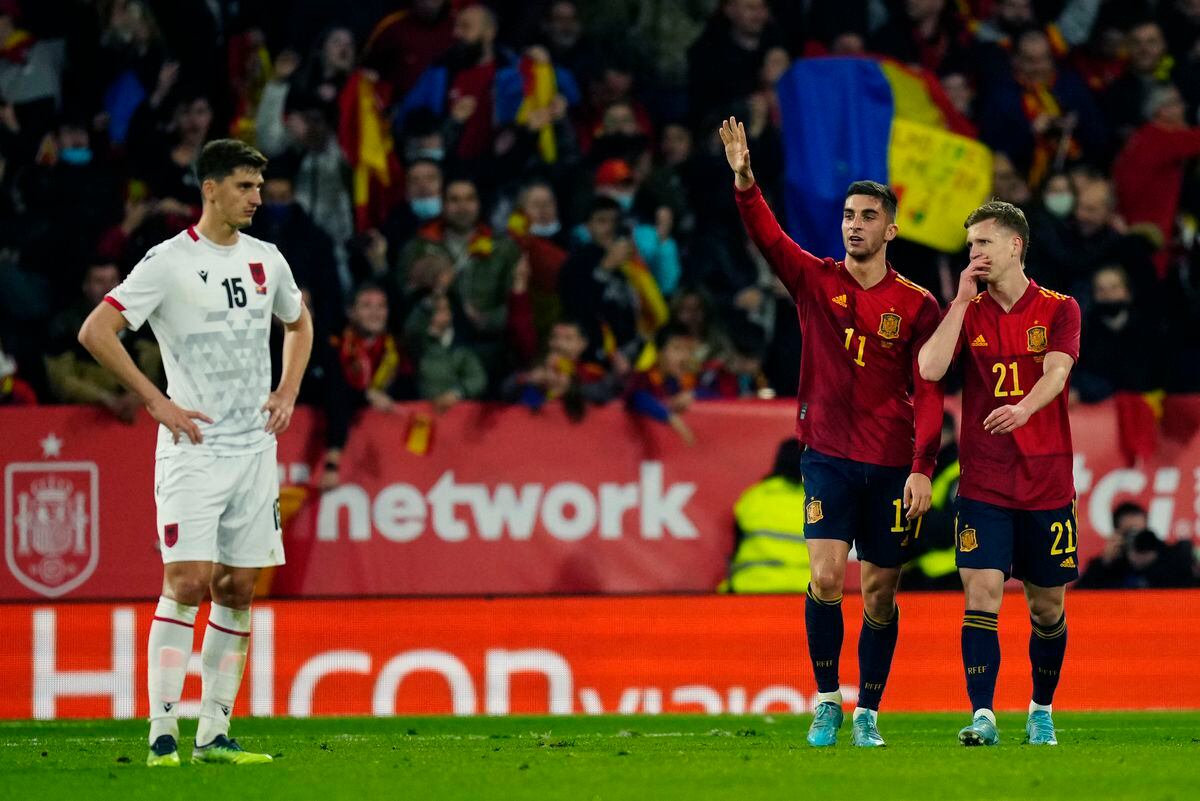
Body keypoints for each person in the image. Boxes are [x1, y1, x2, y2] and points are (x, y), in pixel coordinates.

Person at [77, 139, 314, 766]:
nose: (257, 198)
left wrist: (287, 388)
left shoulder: (268, 260)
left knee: (238, 587)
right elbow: (96, 330)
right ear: (210, 189)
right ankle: (162, 731)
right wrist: (156, 400)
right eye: (245, 186)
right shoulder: (168, 262)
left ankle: (213, 734)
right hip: (194, 449)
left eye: (259, 187)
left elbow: (299, 322)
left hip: (254, 450)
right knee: (186, 581)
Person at [721, 117, 943, 748]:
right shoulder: (814, 279)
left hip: (891, 463)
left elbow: (930, 392)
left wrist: (923, 467)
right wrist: (745, 183)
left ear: (890, 228)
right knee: (823, 577)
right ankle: (826, 702)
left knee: (879, 590)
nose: (854, 224)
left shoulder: (918, 305)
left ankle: (868, 711)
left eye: (868, 215)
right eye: (848, 214)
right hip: (826, 457)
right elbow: (768, 238)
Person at [918, 200, 1081, 747]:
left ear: (1015, 245)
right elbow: (931, 368)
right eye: (970, 246)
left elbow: (1057, 373)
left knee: (1046, 605)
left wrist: (1024, 408)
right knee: (982, 591)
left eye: (983, 243)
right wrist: (961, 301)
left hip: (1046, 478)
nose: (975, 254)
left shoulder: (1060, 308)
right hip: (984, 479)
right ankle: (983, 714)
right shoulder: (969, 311)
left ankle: (1040, 708)